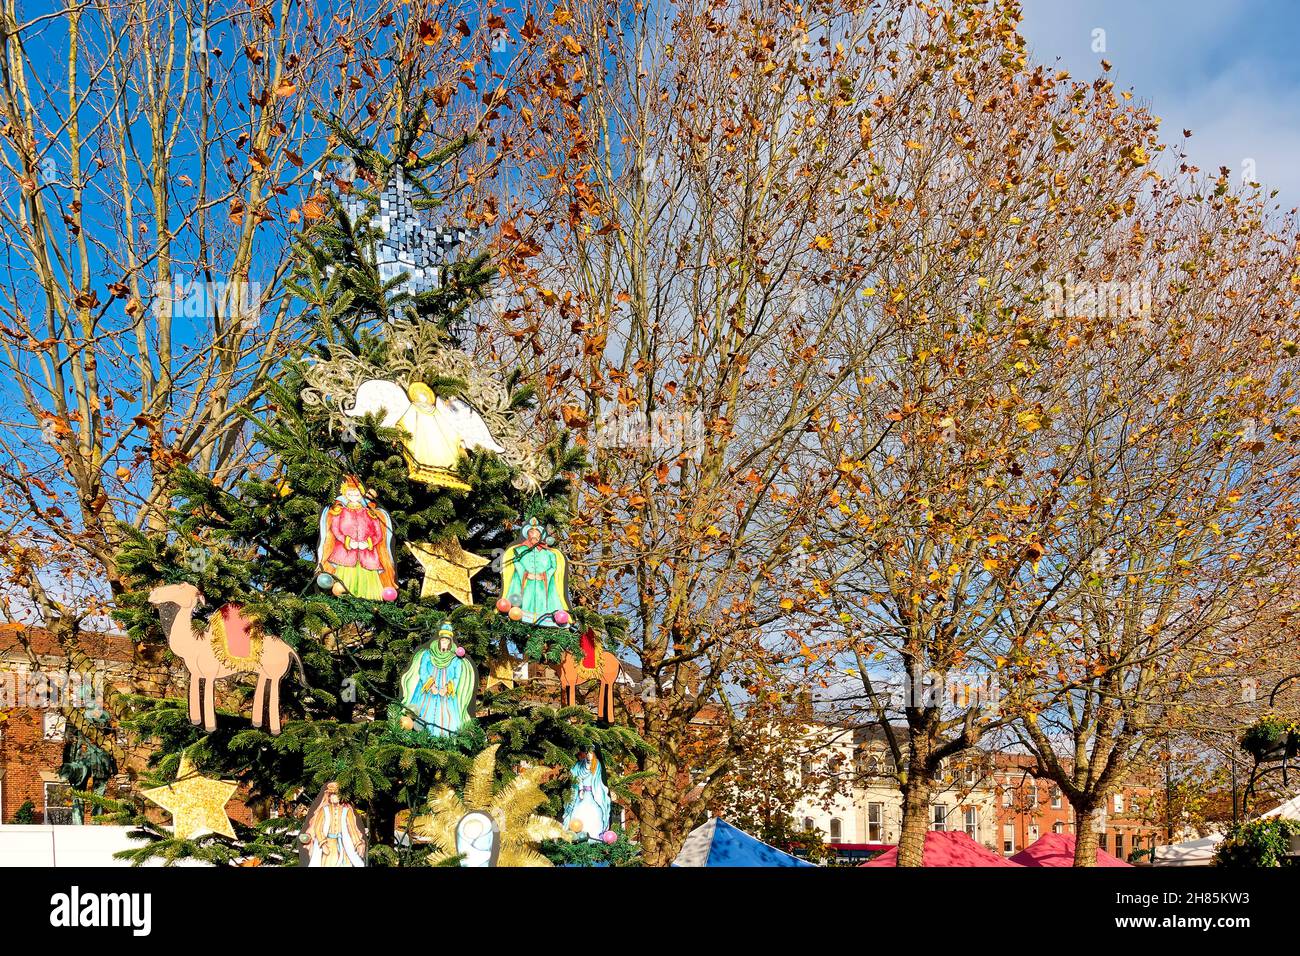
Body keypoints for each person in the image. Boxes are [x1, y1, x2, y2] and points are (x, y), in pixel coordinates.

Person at [318, 476, 397, 600]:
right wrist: (348, 541)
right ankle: (344, 593)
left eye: (357, 492)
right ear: (345, 494)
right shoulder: (340, 512)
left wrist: (369, 543)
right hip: (345, 554)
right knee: (345, 577)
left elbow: (378, 533)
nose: (354, 495)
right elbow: (336, 529)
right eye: (350, 492)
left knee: (368, 576)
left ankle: (370, 600)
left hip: (368, 555)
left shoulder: (370, 512)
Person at [399, 623, 476, 736]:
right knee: (422, 714)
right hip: (426, 692)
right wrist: (431, 685)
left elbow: (457, 677)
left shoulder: (456, 659)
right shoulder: (427, 654)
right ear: (439, 640)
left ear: (450, 642)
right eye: (443, 640)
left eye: (447, 640)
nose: (445, 642)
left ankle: (444, 738)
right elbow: (423, 670)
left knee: (447, 720)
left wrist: (446, 688)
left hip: (446, 696)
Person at [501, 518, 570, 625]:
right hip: (524, 582)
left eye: (536, 532)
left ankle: (546, 619)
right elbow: (516, 562)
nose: (533, 535)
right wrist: (526, 574)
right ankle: (520, 614)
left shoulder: (550, 553)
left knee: (542, 600)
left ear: (540, 535)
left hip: (544, 584)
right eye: (531, 532)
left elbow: (553, 566)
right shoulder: (518, 550)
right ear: (527, 534)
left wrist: (544, 575)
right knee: (526, 598)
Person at [304, 782, 366, 867]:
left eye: (335, 795)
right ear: (328, 796)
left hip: (343, 843)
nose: (333, 797)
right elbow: (318, 828)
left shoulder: (347, 811)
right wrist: (322, 844)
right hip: (328, 844)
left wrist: (358, 843)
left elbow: (352, 829)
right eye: (331, 795)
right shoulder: (324, 810)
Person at [563, 749, 612, 841]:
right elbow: (576, 776)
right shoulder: (580, 765)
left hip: (593, 797)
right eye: (587, 753)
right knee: (578, 814)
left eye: (591, 753)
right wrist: (580, 788)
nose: (588, 755)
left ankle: (594, 839)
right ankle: (578, 838)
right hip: (581, 796)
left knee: (594, 816)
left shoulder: (598, 765)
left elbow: (600, 782)